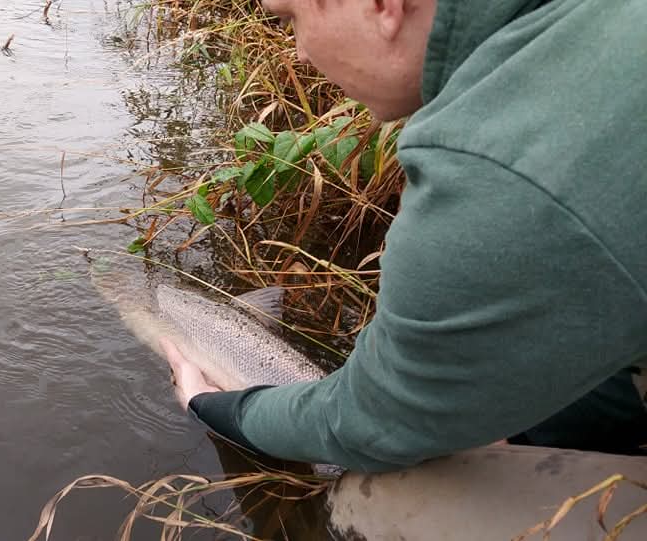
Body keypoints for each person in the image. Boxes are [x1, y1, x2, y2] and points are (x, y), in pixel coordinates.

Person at [159, 0, 647, 473]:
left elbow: (372, 425)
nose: (299, 52)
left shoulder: (486, 164)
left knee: (382, 503)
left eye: (291, 18)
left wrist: (216, 407)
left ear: (384, 6)